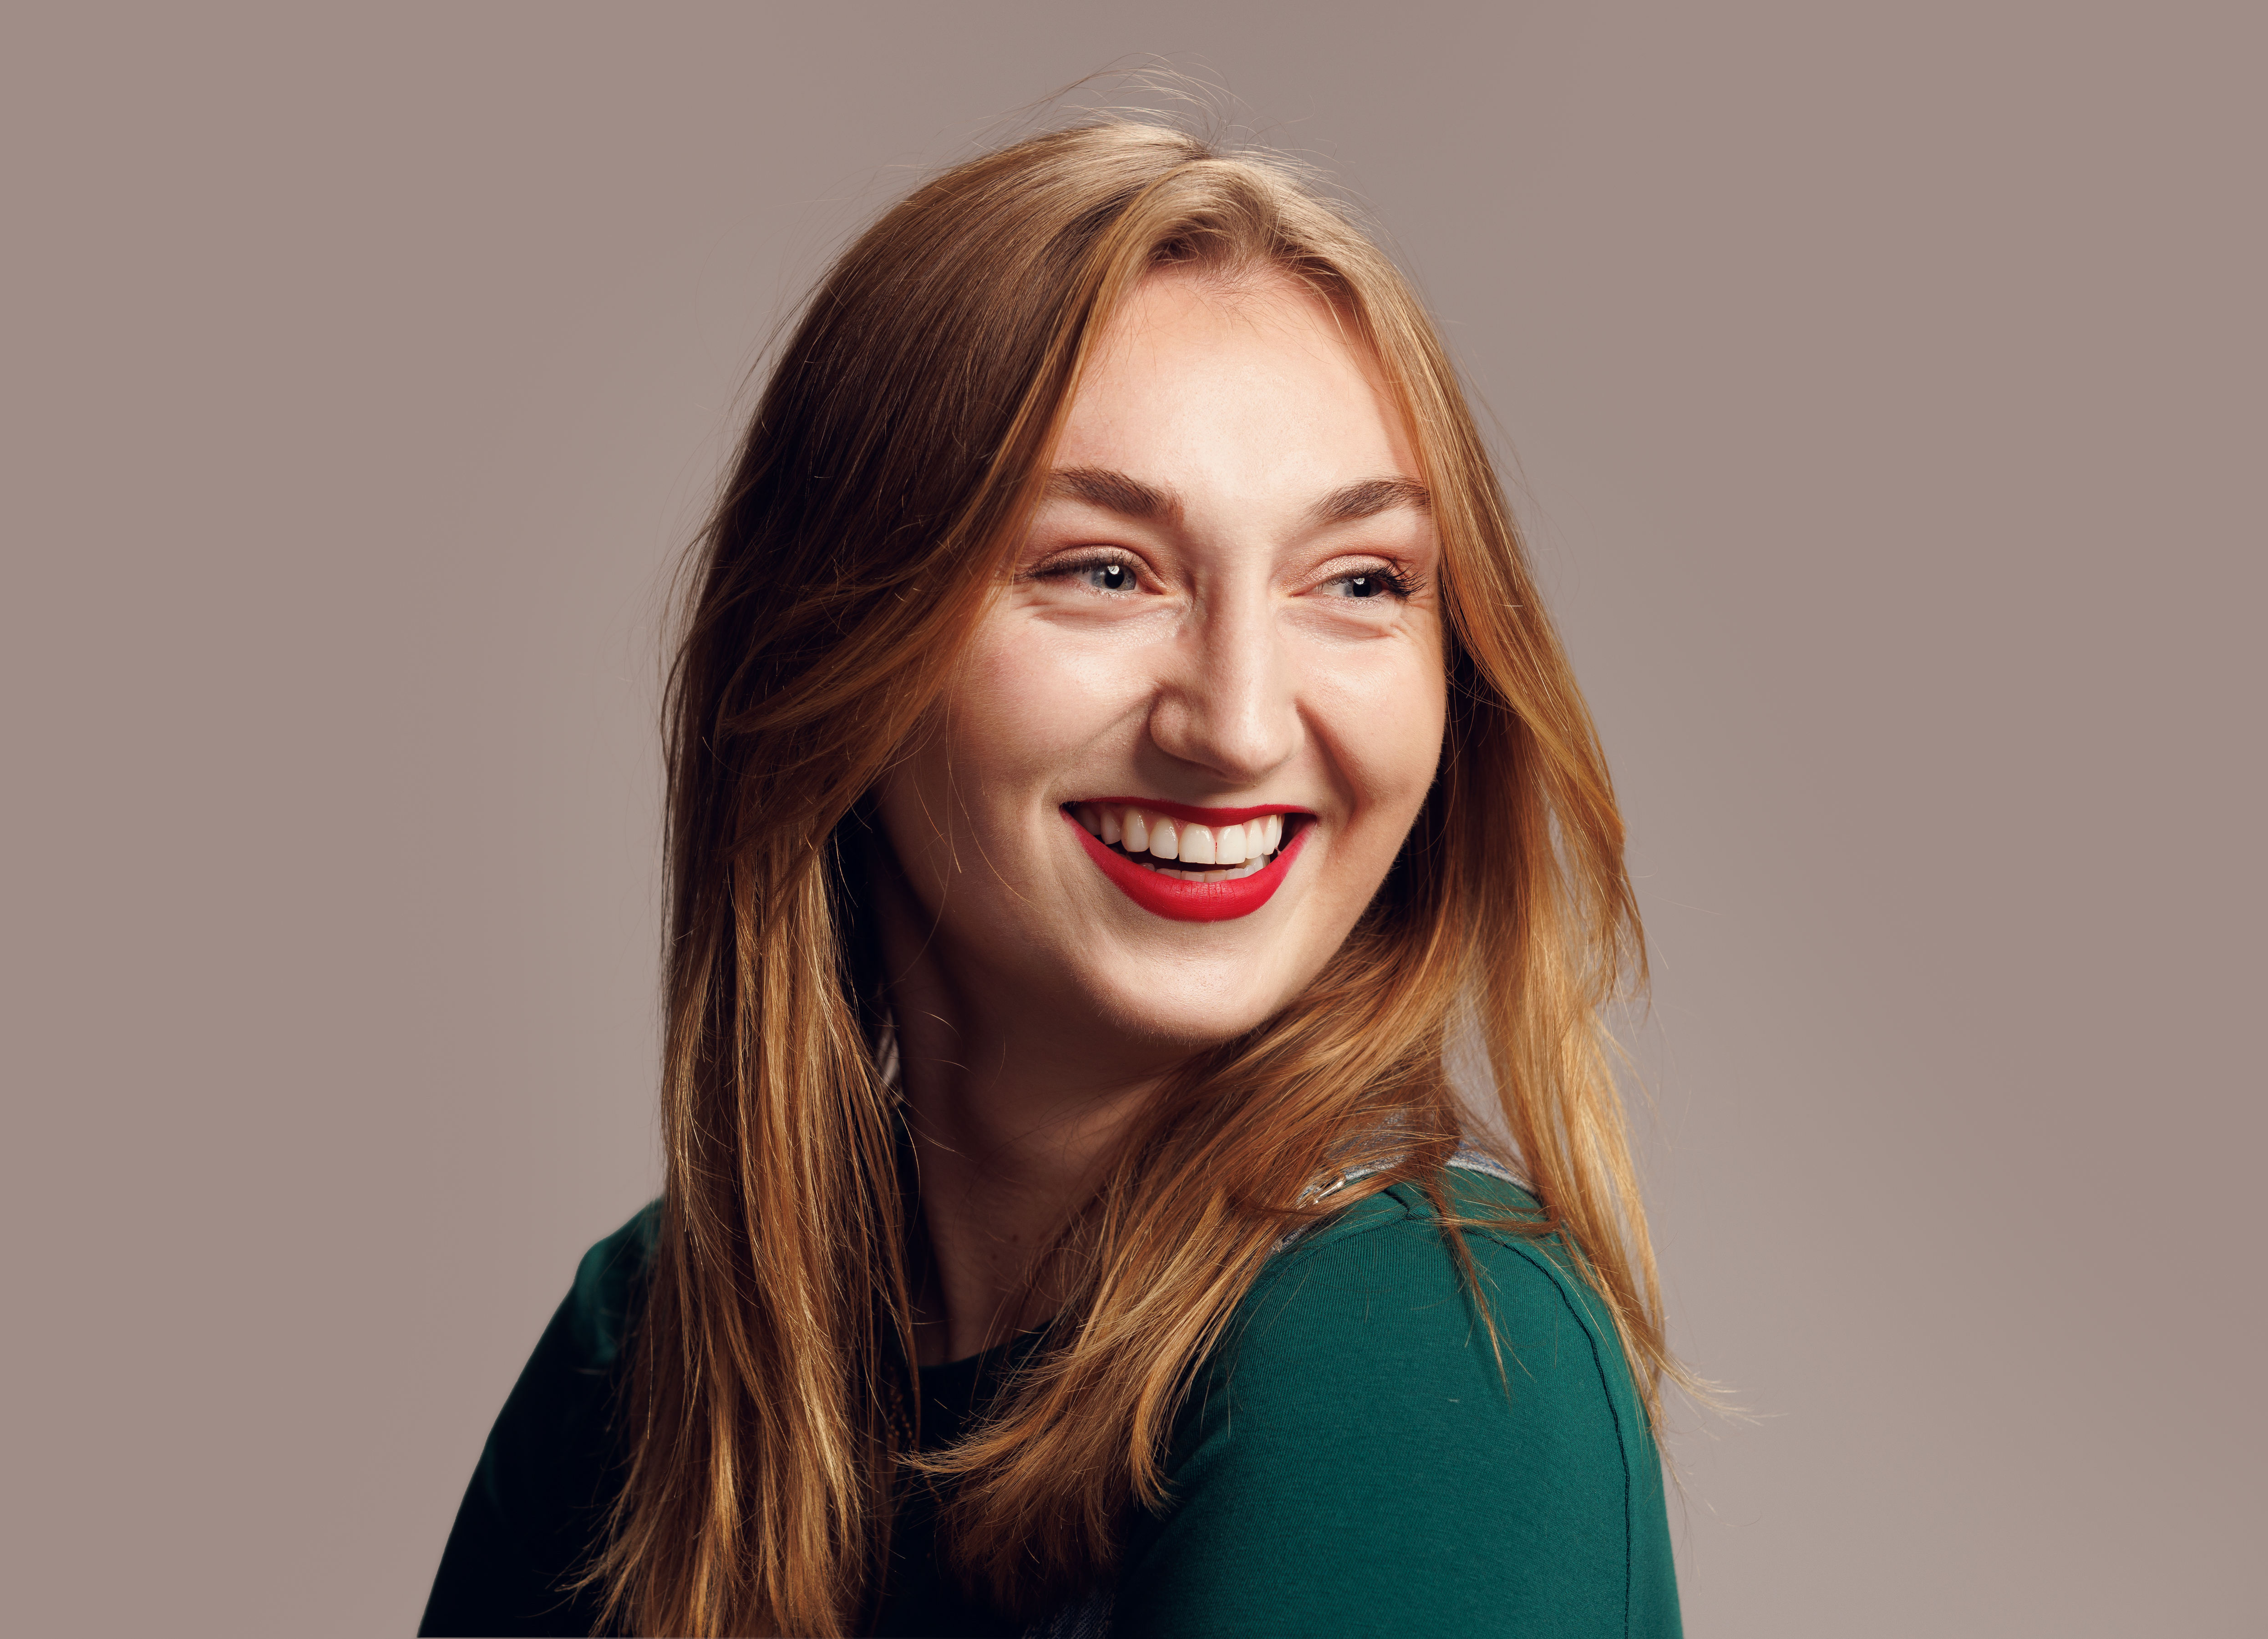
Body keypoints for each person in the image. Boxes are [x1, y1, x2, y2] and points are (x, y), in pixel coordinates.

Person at [420, 119, 1684, 1638]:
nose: (1236, 721)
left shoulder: (1418, 1345)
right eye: (1104, 569)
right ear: (833, 651)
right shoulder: (649, 1355)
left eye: (1359, 582)